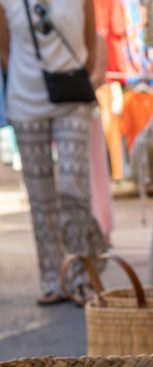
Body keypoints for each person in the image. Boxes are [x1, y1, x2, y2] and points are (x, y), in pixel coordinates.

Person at [0, 0, 109, 304]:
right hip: (25, 102)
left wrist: (69, 79)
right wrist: (29, 79)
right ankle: (52, 278)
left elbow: (91, 43)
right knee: (40, 195)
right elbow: (5, 50)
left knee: (73, 187)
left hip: (72, 98)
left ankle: (81, 274)